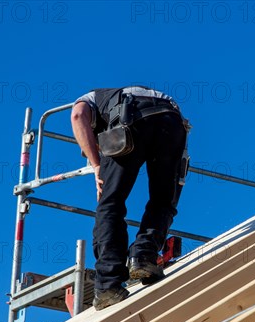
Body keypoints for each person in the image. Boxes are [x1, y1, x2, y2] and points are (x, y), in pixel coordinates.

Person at [71, 86, 189, 310]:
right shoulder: (134, 93)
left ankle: (108, 285)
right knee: (164, 199)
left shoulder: (88, 99)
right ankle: (144, 257)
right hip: (172, 120)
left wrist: (96, 165)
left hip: (129, 117)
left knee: (110, 202)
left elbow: (77, 116)